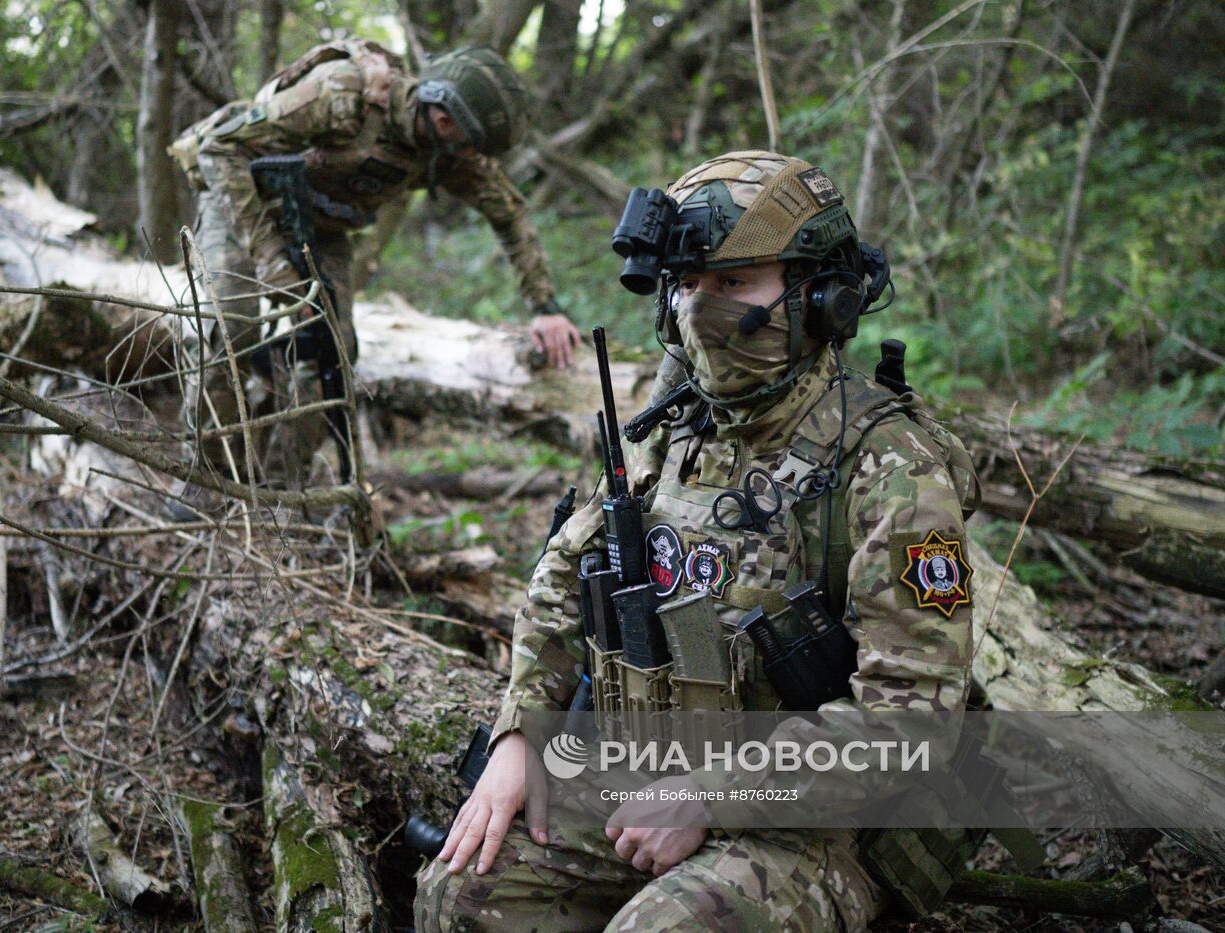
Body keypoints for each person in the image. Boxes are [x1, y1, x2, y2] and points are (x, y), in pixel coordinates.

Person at [413, 150, 982, 931]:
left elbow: (911, 719)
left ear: (823, 297)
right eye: (686, 284)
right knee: (458, 892)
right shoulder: (676, 426)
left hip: (813, 822)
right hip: (646, 773)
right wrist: (521, 732)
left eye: (734, 284)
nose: (699, 311)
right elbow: (565, 576)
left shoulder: (888, 468)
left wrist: (710, 794)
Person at [170, 40, 580, 473]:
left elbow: (509, 212)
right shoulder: (341, 94)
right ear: (444, 120)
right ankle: (205, 477)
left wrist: (545, 307)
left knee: (334, 355)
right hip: (242, 203)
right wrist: (272, 261)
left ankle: (279, 490)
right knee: (229, 331)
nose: (474, 158)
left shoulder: (447, 152)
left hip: (320, 230)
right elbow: (220, 148)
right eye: (472, 145)